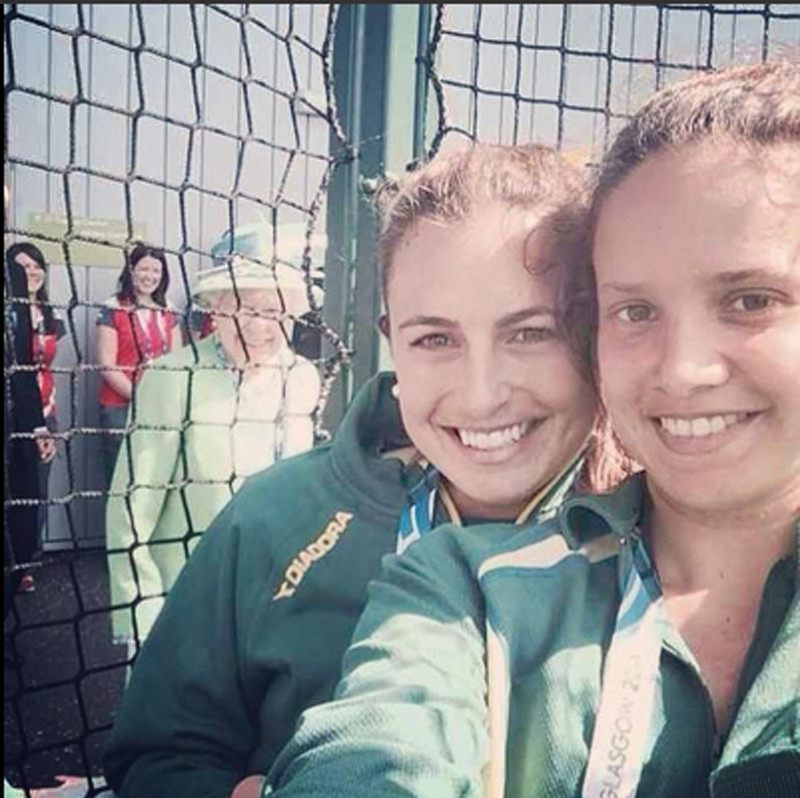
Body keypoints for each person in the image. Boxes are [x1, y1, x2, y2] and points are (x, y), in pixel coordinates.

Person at [264, 61, 800, 798]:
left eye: (750, 300)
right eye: (635, 310)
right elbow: (379, 750)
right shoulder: (465, 585)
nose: (682, 370)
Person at [102, 143, 627, 798]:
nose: (482, 393)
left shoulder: (668, 536)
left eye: (530, 332)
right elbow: (157, 754)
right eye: (434, 338)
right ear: (392, 339)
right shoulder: (273, 517)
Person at [105, 256, 321, 652]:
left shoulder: (302, 376)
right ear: (216, 311)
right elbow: (132, 505)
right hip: (187, 604)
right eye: (245, 309)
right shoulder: (172, 376)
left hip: (273, 603)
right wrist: (141, 614)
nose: (260, 327)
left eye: (273, 312)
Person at [5, 242, 65, 592]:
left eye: (36, 265)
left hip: (43, 411)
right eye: (22, 266)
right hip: (12, 416)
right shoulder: (10, 311)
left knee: (35, 490)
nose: (31, 271)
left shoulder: (48, 314)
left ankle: (27, 561)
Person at [95, 243, 179, 489]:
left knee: (152, 478)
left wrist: (161, 399)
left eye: (156, 271)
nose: (149, 276)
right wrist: (141, 396)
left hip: (159, 407)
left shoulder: (168, 310)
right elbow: (107, 364)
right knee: (120, 479)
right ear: (131, 270)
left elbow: (176, 361)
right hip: (119, 408)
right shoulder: (113, 307)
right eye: (144, 269)